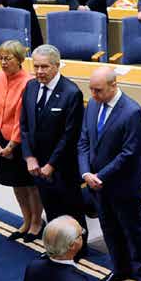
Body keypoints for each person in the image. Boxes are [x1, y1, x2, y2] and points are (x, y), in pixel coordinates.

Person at [77, 65, 141, 281]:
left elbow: (129, 153)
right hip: (97, 184)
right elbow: (83, 141)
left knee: (134, 231)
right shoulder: (92, 105)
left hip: (122, 184)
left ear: (114, 85)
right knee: (109, 228)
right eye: (91, 89)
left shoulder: (132, 112)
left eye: (98, 90)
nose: (93, 95)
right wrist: (85, 174)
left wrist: (100, 175)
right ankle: (121, 268)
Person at [20, 43, 86, 234]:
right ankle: (56, 249)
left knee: (71, 212)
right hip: (37, 166)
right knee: (51, 210)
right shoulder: (31, 87)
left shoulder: (71, 93)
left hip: (62, 167)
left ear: (57, 65)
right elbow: (24, 124)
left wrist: (51, 164)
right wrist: (29, 157)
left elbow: (70, 135)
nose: (39, 71)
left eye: (45, 67)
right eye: (36, 66)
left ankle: (77, 250)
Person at [0, 39, 39, 239]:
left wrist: (11, 145)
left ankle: (36, 223)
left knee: (30, 185)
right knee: (15, 183)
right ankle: (26, 220)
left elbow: (22, 118)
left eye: (7, 58)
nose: (3, 62)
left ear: (19, 59)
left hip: (20, 141)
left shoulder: (28, 83)